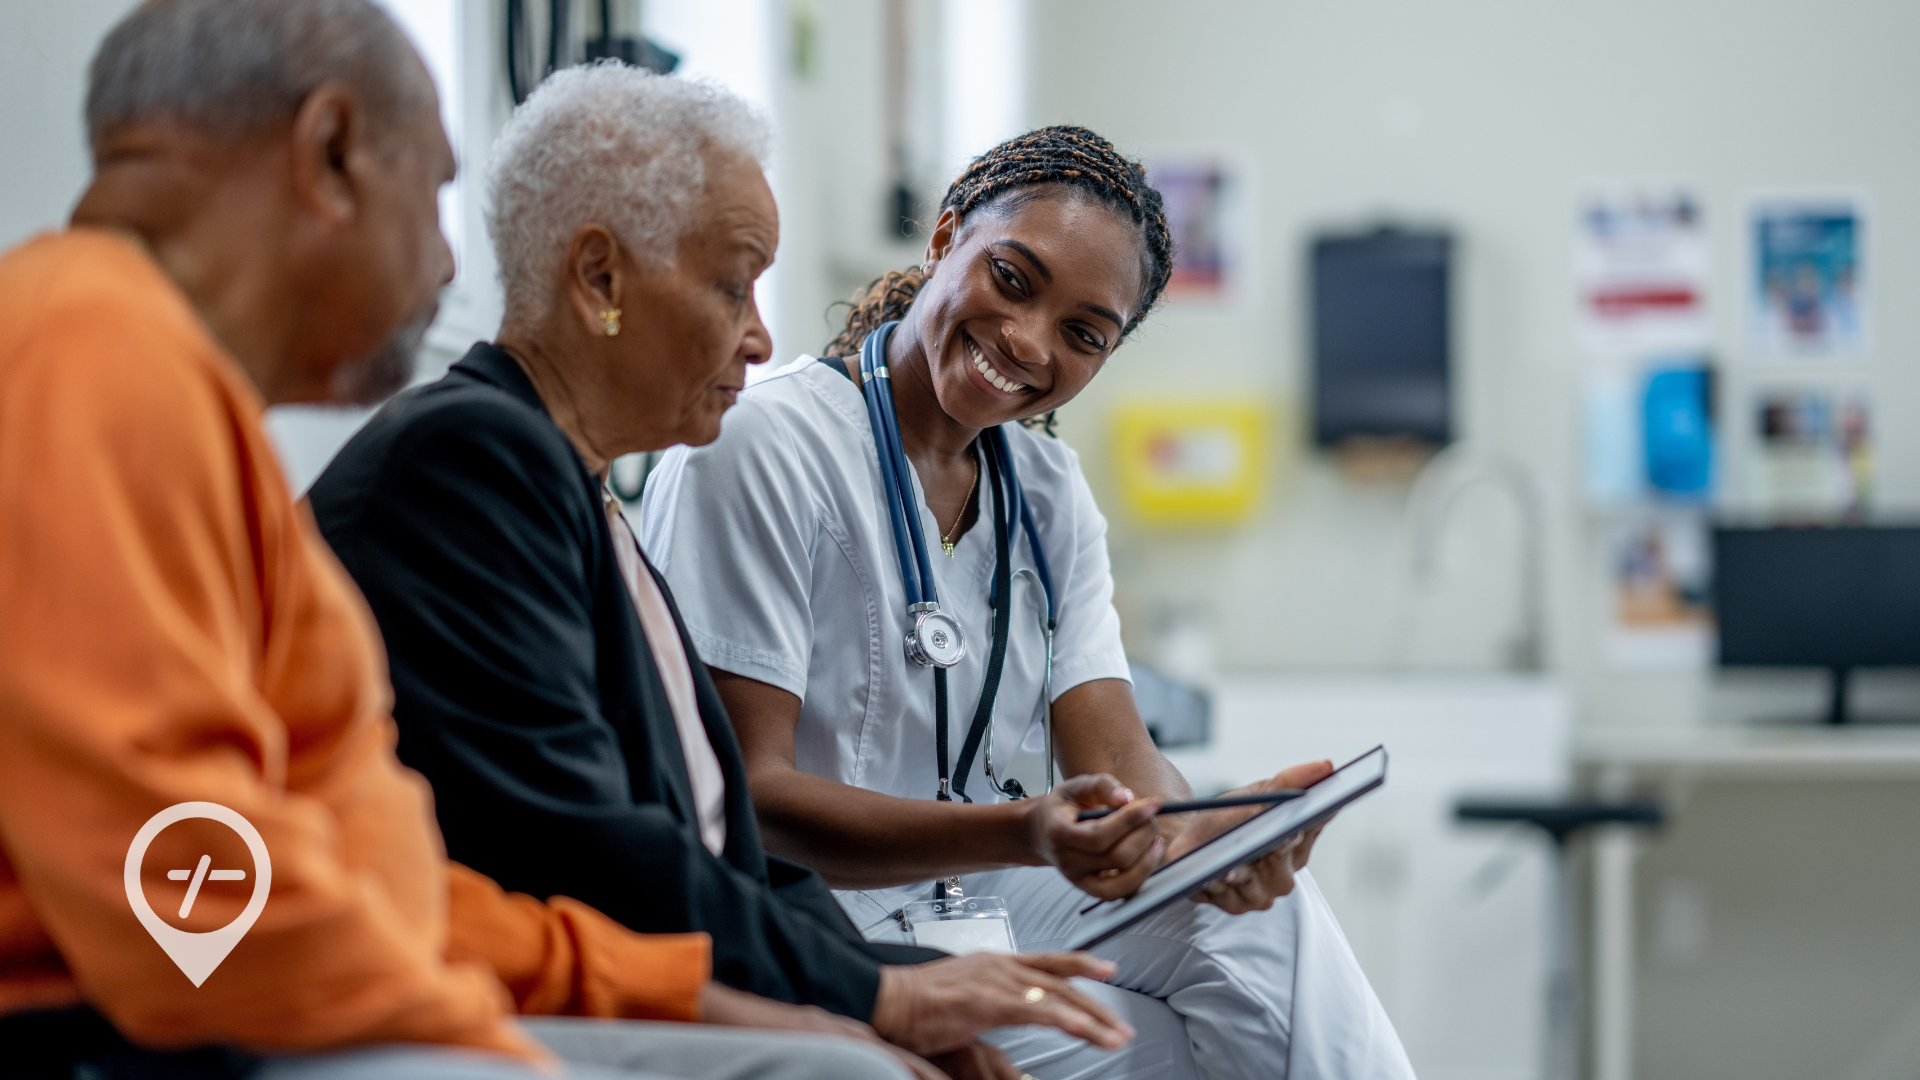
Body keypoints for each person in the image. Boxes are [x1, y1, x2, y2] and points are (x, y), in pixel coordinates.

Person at [0, 4, 914, 1080]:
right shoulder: (89, 353)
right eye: (435, 193)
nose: (446, 266)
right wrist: (485, 1035)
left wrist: (655, 989)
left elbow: (366, 868)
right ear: (331, 153)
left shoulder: (198, 423)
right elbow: (181, 906)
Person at [307, 64, 1133, 1080]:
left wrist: (893, 993)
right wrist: (876, 998)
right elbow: (589, 852)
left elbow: (741, 861)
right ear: (600, 280)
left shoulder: (585, 499)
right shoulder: (472, 456)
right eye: (732, 283)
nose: (761, 334)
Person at [638, 126, 1417, 1080]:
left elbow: (1120, 761)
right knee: (1165, 1050)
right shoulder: (765, 446)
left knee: (1261, 924)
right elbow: (748, 799)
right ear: (945, 239)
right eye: (1012, 280)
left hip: (975, 891)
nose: (1027, 341)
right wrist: (1025, 830)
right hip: (816, 909)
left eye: (1084, 334)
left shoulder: (1048, 491)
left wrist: (1204, 837)